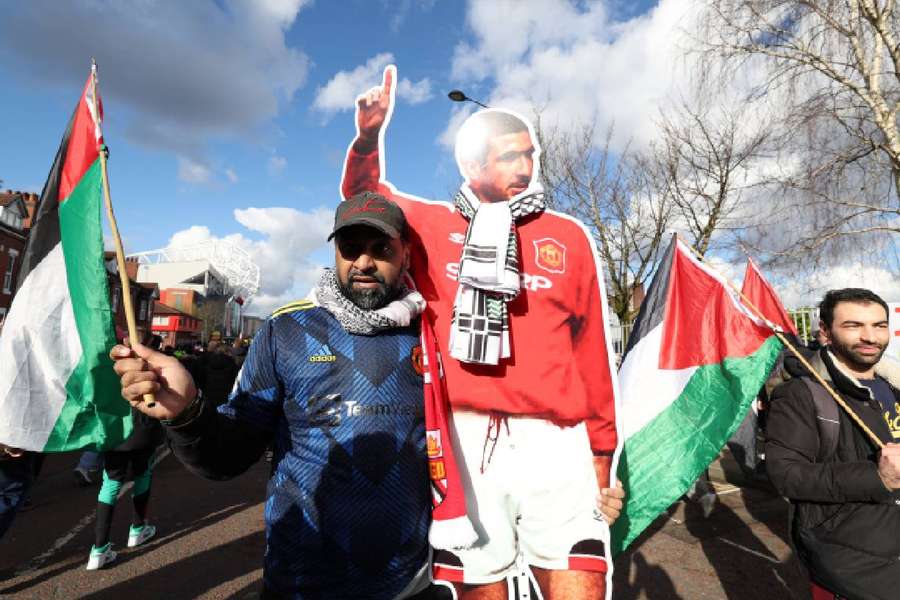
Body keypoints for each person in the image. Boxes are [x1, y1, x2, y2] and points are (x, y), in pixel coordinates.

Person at [343, 65, 622, 599]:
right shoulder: (431, 228)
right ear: (472, 164)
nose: (526, 165)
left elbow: (591, 355)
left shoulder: (567, 237)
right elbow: (364, 196)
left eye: (530, 154)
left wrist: (602, 457)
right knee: (482, 589)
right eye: (510, 155)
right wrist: (369, 136)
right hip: (467, 444)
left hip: (556, 445)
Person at [110, 194, 445, 599]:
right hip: (302, 583)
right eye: (350, 248)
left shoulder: (435, 333)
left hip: (411, 584)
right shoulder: (285, 331)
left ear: (405, 254)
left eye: (381, 249)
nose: (364, 262)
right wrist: (186, 411)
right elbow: (228, 455)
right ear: (336, 252)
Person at [765, 288, 900, 600]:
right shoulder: (801, 394)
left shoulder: (893, 384)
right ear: (825, 332)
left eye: (878, 325)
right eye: (853, 326)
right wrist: (877, 478)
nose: (870, 337)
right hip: (854, 570)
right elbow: (786, 475)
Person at [86, 398, 164, 570]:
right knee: (143, 474)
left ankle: (99, 549)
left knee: (110, 483)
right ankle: (138, 529)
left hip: (112, 426)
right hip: (142, 423)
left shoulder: (102, 369)